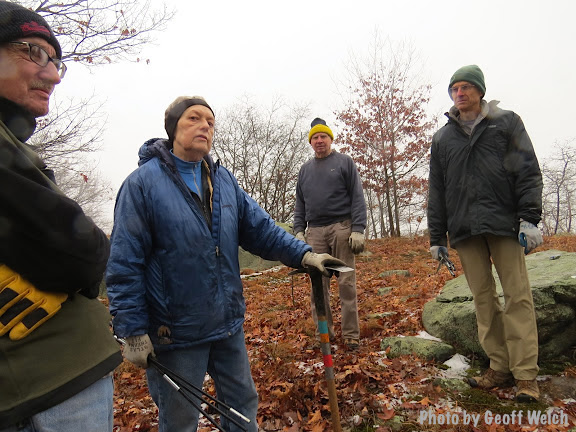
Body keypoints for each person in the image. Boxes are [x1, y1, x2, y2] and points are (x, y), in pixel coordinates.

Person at [106, 96, 344, 432]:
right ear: (173, 128)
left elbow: (262, 230)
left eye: (210, 121)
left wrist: (305, 255)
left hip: (226, 322)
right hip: (175, 331)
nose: (205, 125)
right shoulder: (142, 185)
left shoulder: (223, 181)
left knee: (243, 406)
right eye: (194, 118)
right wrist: (131, 329)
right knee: (180, 420)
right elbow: (124, 262)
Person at [0, 2, 122, 431]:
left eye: (56, 62)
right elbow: (83, 254)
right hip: (50, 385)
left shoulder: (17, 145)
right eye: (31, 51)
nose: (51, 74)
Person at [427, 65, 543, 402]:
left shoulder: (506, 122)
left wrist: (529, 218)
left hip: (504, 223)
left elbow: (527, 170)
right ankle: (499, 366)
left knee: (517, 296)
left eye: (465, 87)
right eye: (454, 89)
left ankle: (526, 377)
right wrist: (437, 238)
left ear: (480, 90)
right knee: (482, 298)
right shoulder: (442, 138)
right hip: (464, 229)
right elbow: (437, 190)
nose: (459, 94)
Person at [293, 118, 367, 350]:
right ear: (311, 142)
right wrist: (298, 230)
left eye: (323, 136)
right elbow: (300, 204)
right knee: (318, 285)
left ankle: (351, 335)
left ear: (330, 138)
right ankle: (324, 333)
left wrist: (358, 229)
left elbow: (357, 196)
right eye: (315, 137)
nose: (319, 140)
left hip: (341, 229)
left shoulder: (344, 162)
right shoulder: (305, 170)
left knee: (346, 282)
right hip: (315, 232)